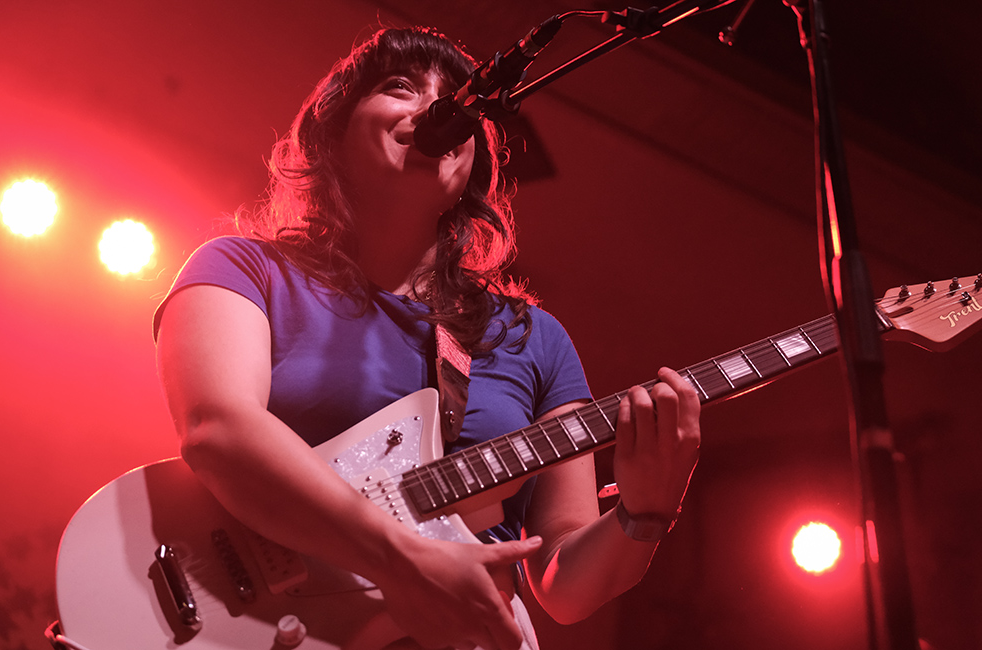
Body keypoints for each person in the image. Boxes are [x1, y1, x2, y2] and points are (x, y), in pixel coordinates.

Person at [153, 26, 700, 650]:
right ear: (335, 129)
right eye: (400, 86)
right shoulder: (243, 270)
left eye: (457, 97)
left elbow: (565, 587)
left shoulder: (533, 339)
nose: (440, 108)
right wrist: (402, 557)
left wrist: (644, 514)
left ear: (471, 165)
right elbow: (218, 430)